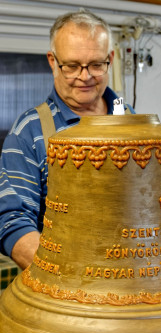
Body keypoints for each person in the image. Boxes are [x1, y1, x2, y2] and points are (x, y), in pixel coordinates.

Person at [0, 9, 134, 270]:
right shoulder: (29, 131)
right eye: (72, 66)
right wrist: (69, 276)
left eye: (96, 64)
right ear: (52, 61)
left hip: (130, 275)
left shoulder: (129, 118)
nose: (84, 77)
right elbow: (11, 221)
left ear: (111, 59)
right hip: (64, 284)